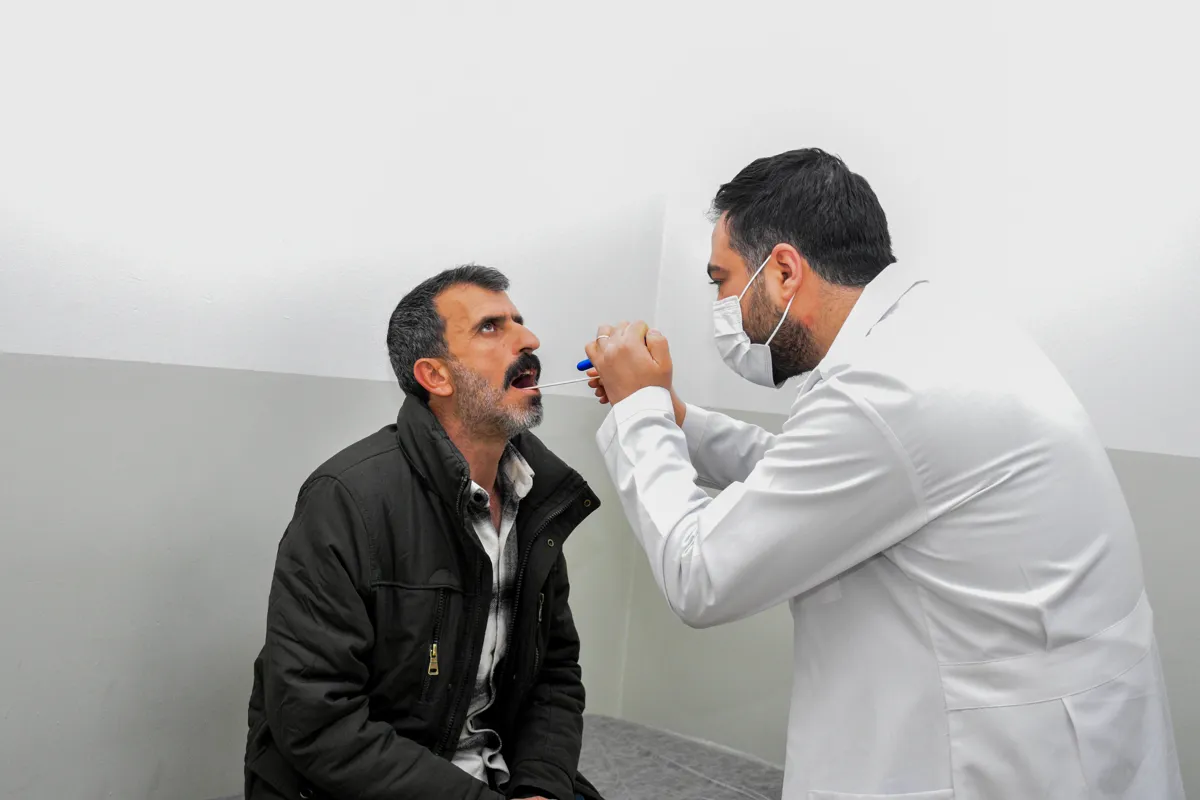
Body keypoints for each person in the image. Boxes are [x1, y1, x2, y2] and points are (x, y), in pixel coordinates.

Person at [584, 149, 1184, 799]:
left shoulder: (884, 388)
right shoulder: (932, 337)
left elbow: (700, 574)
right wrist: (676, 419)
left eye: (721, 280)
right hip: (1068, 733)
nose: (721, 304)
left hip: (996, 760)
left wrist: (639, 409)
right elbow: (812, 480)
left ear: (783, 271)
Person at [244, 265, 604, 800]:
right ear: (435, 377)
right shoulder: (347, 499)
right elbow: (316, 718)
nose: (528, 339)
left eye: (519, 321)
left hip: (498, 774)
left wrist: (541, 789)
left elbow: (554, 674)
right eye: (490, 327)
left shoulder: (536, 495)